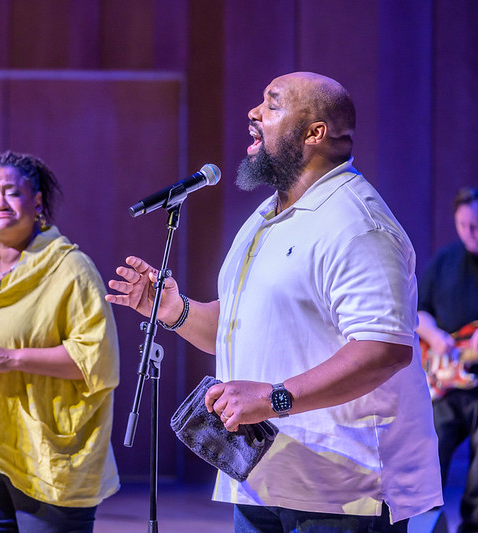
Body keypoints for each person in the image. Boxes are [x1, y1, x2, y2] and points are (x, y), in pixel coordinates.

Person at [106, 72, 442, 531]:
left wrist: (272, 397)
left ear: (314, 132)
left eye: (272, 103)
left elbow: (384, 350)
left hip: (342, 490)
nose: (254, 112)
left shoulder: (358, 224)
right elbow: (237, 325)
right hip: (262, 475)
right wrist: (174, 310)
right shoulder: (268, 215)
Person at [0, 150, 120, 532]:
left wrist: (12, 358)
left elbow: (97, 358)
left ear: (37, 202)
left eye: (10, 192)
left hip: (46, 459)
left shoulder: (70, 268)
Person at [417, 186, 478, 533]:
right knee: (429, 459)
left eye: (477, 224)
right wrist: (436, 336)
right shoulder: (444, 260)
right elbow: (419, 312)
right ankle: (425, 523)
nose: (471, 232)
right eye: (464, 224)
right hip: (442, 382)